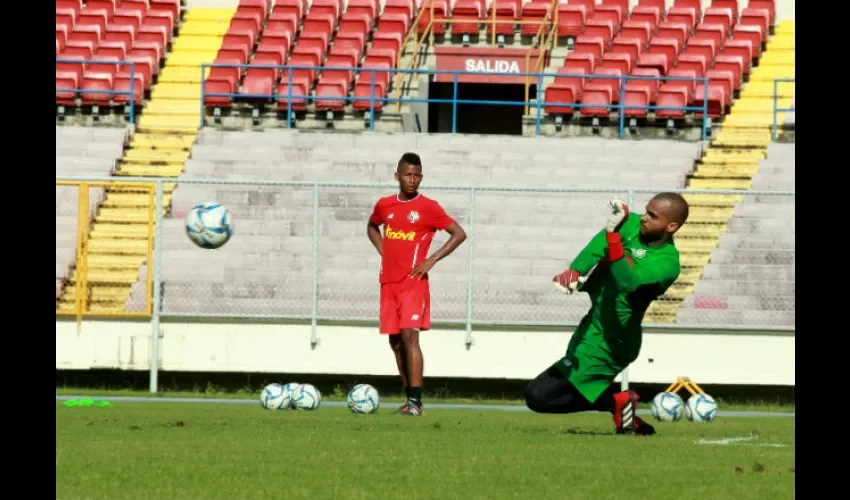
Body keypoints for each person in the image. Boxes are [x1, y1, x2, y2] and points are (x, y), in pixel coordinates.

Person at [524, 192, 690, 435]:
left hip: (613, 341)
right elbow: (600, 243)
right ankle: (624, 411)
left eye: (652, 216)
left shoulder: (668, 263)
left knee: (538, 397)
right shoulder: (631, 224)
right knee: (552, 393)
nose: (643, 218)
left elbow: (627, 281)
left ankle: (618, 402)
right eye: (646, 211)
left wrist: (614, 236)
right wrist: (575, 271)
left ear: (671, 226)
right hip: (594, 326)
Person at [367, 152, 467, 416]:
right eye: (408, 175)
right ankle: (409, 398)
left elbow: (459, 234)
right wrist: (384, 251)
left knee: (411, 335)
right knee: (396, 342)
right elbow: (371, 227)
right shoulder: (384, 205)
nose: (413, 180)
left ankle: (415, 403)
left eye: (417, 176)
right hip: (388, 282)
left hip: (413, 282)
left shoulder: (428, 207)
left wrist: (431, 260)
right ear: (397, 176)